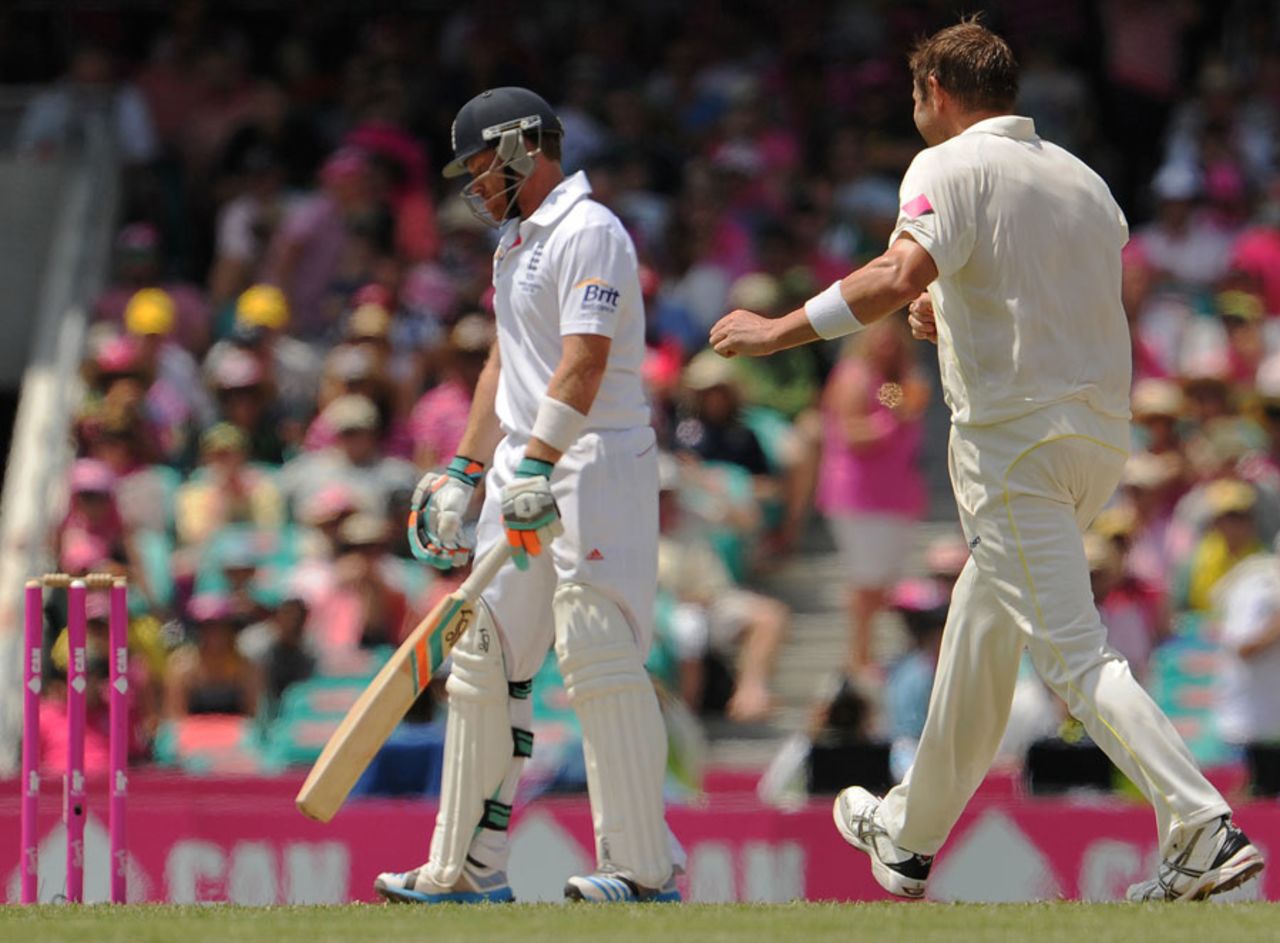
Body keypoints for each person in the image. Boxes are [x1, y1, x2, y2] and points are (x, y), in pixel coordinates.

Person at [709, 18, 1263, 903]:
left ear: (935, 93)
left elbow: (896, 277)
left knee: (1074, 654)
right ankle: (908, 835)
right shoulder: (1085, 181)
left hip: (1015, 446)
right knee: (978, 634)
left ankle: (1201, 825)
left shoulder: (945, 164)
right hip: (1093, 442)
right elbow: (1043, 296)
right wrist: (952, 315)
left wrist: (778, 329)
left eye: (914, 95)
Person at [374, 87, 677, 905]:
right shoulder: (515, 243)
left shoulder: (590, 231)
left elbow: (583, 361)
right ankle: (466, 870)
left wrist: (541, 462)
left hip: (593, 458)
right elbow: (506, 365)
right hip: (525, 460)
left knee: (596, 649)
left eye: (478, 164)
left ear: (516, 148)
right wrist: (466, 471)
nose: (472, 184)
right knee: (481, 659)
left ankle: (643, 869)